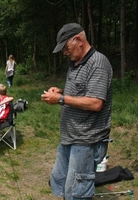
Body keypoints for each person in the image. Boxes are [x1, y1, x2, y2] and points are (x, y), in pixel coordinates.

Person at [41, 23, 113, 200]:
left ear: (79, 40)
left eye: (66, 48)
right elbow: (82, 96)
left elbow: (96, 102)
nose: (65, 53)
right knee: (62, 183)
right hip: (70, 137)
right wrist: (62, 93)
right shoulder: (76, 63)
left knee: (77, 192)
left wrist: (61, 99)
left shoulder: (98, 63)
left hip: (86, 140)